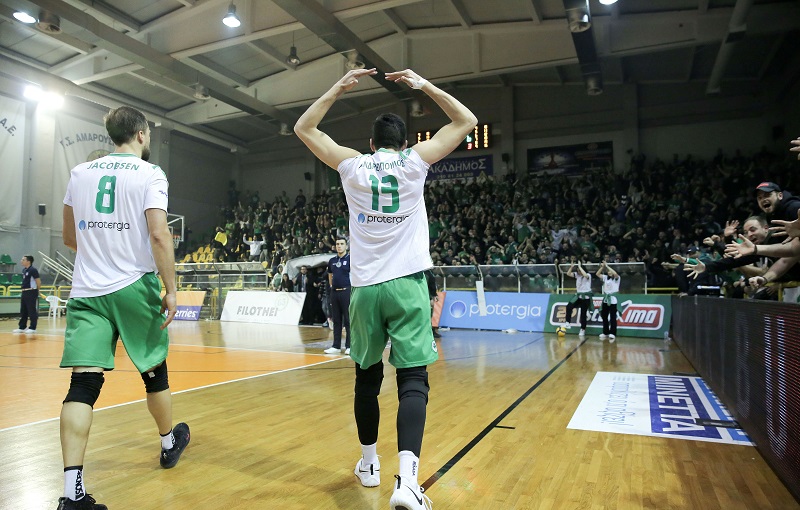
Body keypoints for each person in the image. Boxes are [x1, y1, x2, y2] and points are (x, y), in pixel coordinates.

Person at [294, 67, 477, 510]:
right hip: (407, 284)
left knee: (366, 379)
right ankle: (407, 482)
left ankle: (369, 464)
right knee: (413, 379)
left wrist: (337, 88)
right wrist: (424, 85)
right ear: (402, 142)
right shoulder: (415, 161)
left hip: (365, 289)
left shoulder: (353, 165)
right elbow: (466, 121)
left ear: (372, 143)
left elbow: (304, 128)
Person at [57, 106, 190, 510]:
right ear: (142, 134)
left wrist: (100, 252)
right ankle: (168, 443)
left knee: (82, 386)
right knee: (154, 373)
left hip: (87, 289)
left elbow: (69, 237)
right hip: (134, 285)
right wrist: (171, 289)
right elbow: (159, 235)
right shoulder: (151, 174)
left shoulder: (80, 173)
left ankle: (72, 494)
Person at [324, 237, 352, 354]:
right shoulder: (332, 261)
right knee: (336, 319)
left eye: (341, 244)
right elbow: (330, 274)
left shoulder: (350, 259)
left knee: (348, 319)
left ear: (346, 246)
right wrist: (332, 286)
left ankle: (349, 346)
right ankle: (336, 346)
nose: (339, 246)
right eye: (337, 244)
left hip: (346, 291)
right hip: (335, 292)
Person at [13, 255, 41, 334]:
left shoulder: (33, 270)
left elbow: (38, 281)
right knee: (23, 310)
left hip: (31, 291)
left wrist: (37, 290)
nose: (21, 261)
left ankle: (33, 327)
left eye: (23, 260)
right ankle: (22, 327)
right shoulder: (24, 270)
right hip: (24, 291)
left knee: (31, 310)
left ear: (28, 261)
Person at [564, 261, 591, 337]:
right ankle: (567, 322)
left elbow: (585, 275)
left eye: (580, 270)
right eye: (578, 271)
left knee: (583, 314)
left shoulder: (588, 275)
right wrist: (571, 267)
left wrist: (580, 266)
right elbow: (568, 274)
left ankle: (583, 329)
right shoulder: (577, 275)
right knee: (569, 306)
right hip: (578, 296)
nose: (579, 272)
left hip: (585, 297)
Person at [596, 261, 619, 341]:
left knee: (613, 317)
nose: (609, 272)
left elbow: (615, 273)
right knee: (604, 316)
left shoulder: (617, 278)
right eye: (608, 271)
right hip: (606, 299)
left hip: (613, 300)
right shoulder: (605, 277)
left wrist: (607, 266)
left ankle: (613, 333)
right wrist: (603, 267)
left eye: (610, 271)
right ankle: (605, 332)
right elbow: (597, 274)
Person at [424, 269, 442, 339]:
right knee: (429, 314)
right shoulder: (428, 273)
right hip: (427, 296)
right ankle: (430, 331)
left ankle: (429, 331)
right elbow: (432, 284)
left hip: (424, 296)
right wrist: (434, 294)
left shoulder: (425, 272)